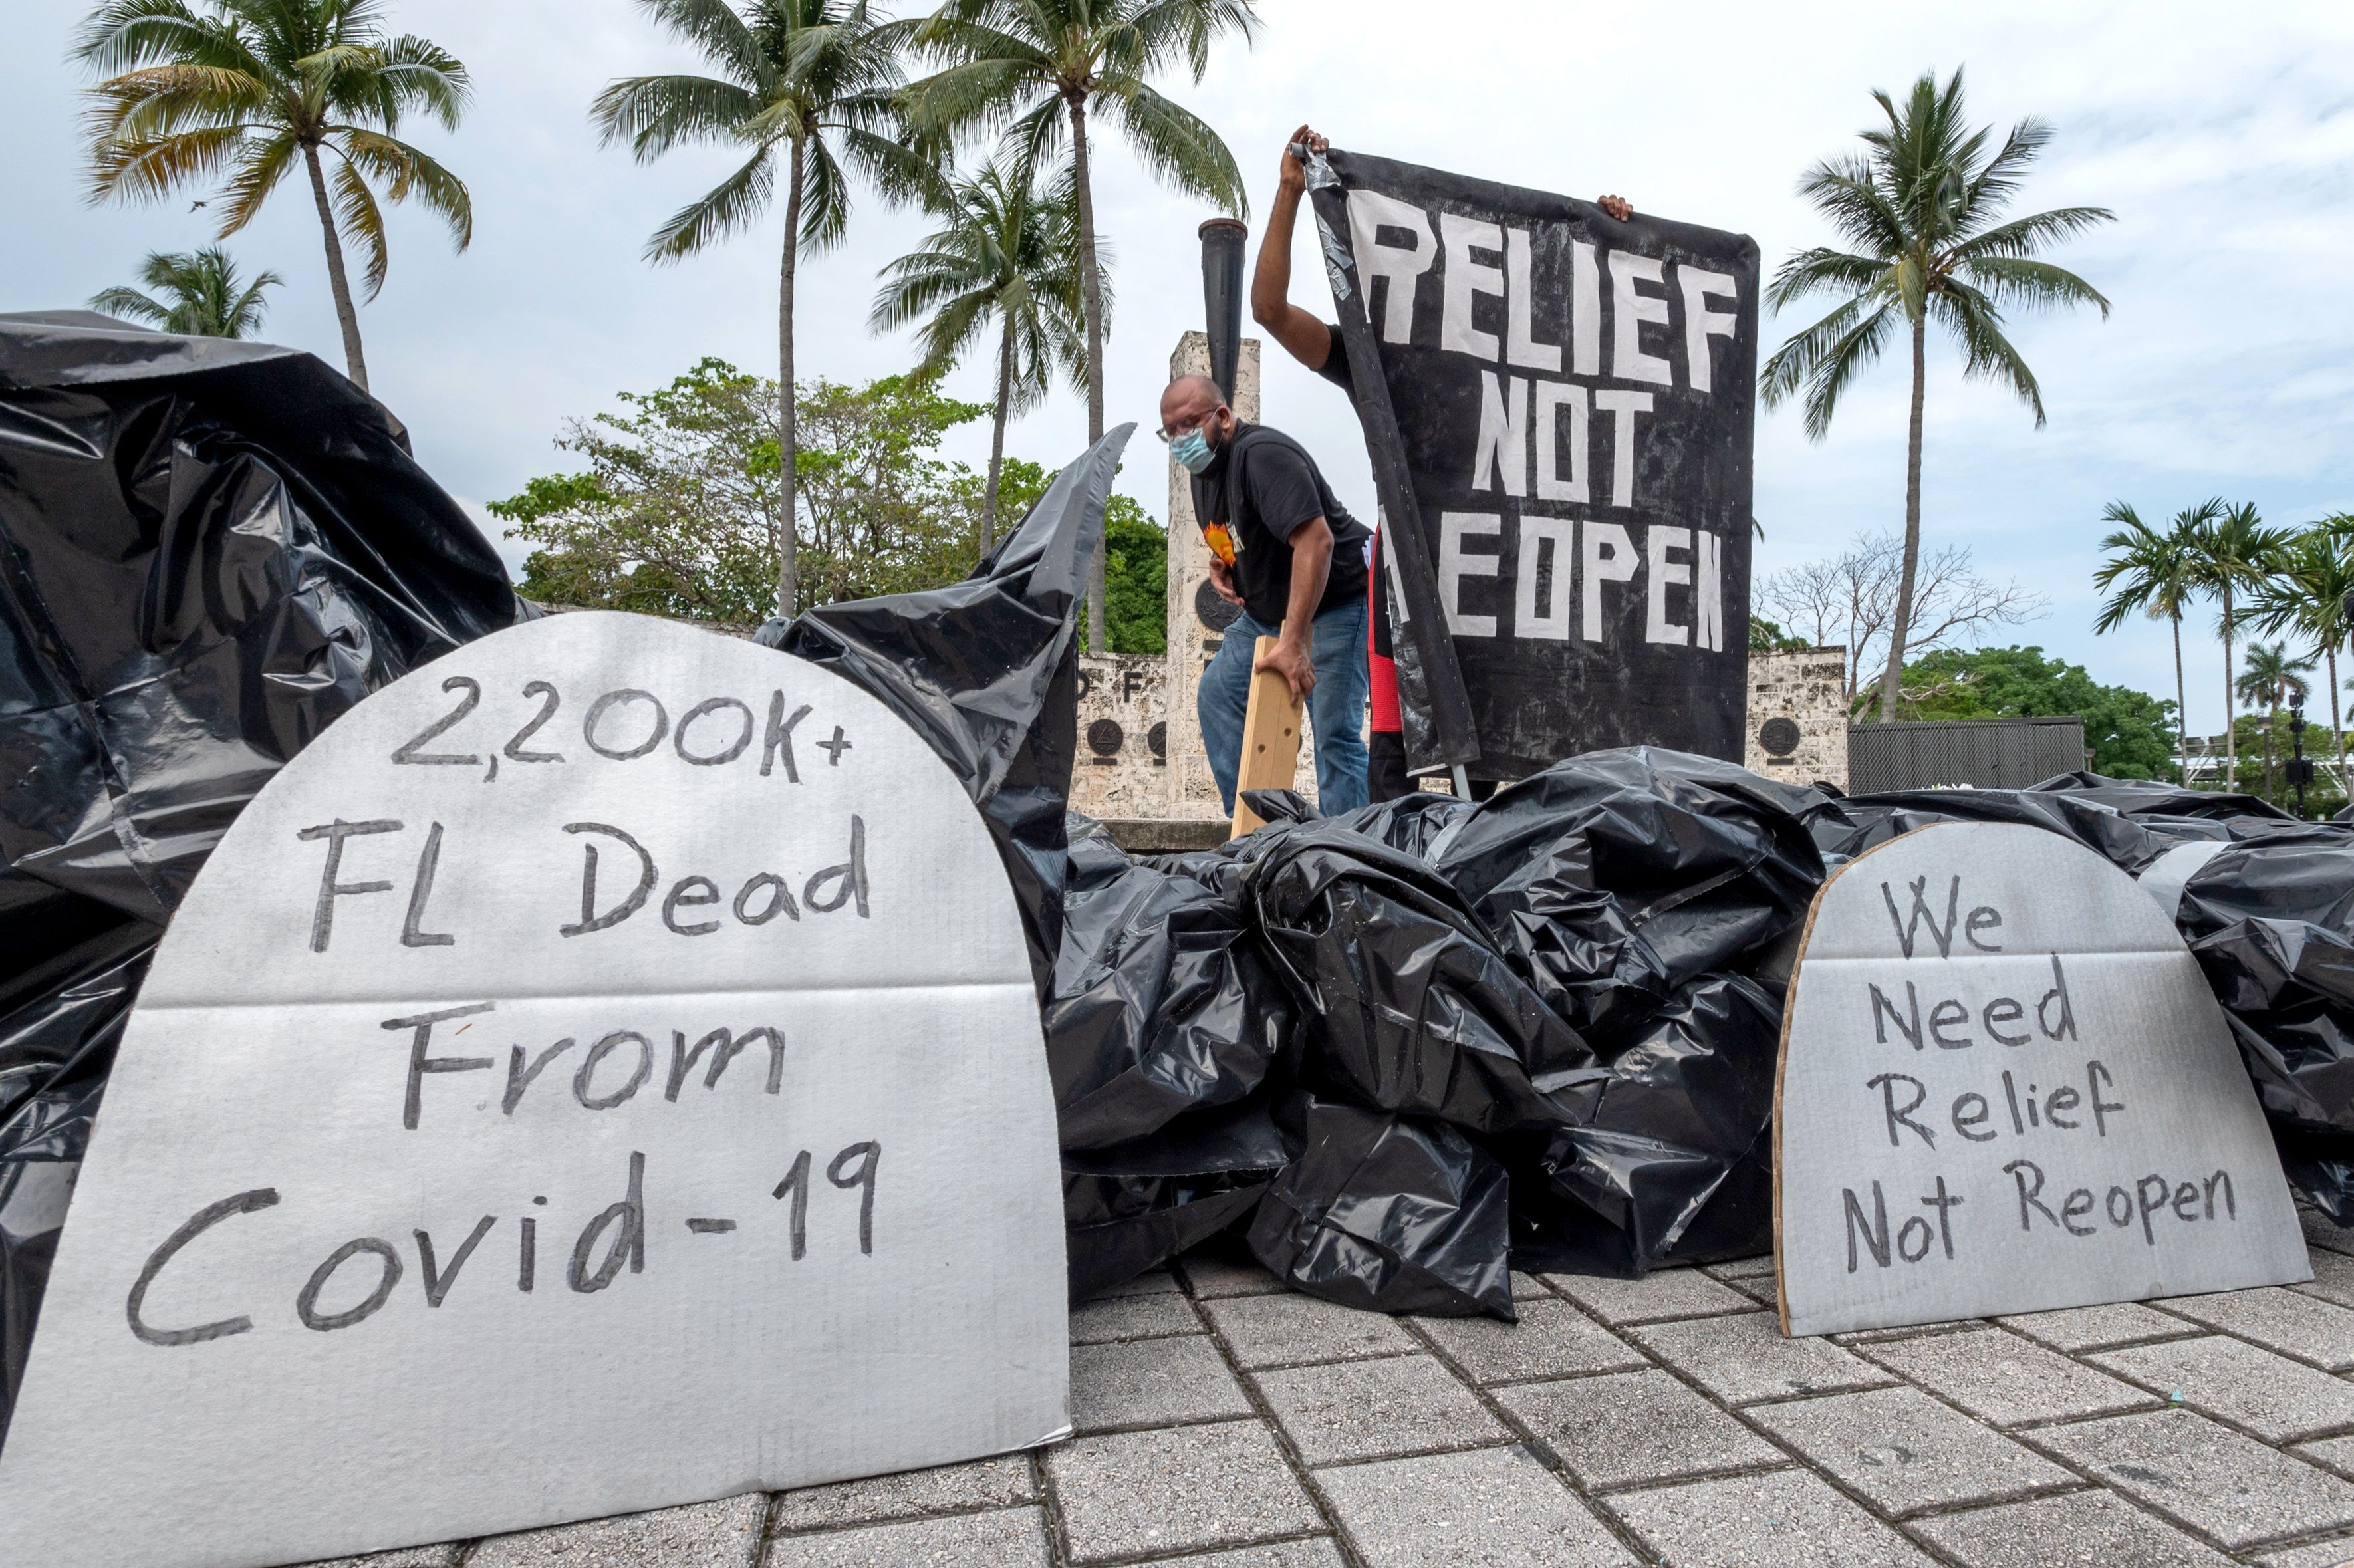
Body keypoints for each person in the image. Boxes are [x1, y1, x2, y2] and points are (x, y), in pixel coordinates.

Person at [1249, 124, 1633, 801]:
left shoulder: (1527, 358)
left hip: (1510, 577)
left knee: (1507, 757)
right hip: (1409, 574)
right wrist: (1288, 195)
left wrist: (1614, 252)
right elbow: (1270, 311)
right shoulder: (1379, 360)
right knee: (1393, 757)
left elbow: (1600, 354)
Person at [1162, 371, 1372, 817]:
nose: (1180, 438)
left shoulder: (1262, 455)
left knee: (1334, 734)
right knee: (1218, 694)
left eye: (1189, 423)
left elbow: (1317, 541)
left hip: (1339, 601)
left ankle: (1354, 852)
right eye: (1170, 430)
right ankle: (1261, 829)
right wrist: (1225, 565)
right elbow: (1238, 534)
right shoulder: (1205, 474)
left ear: (1222, 416)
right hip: (1266, 615)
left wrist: (1294, 642)